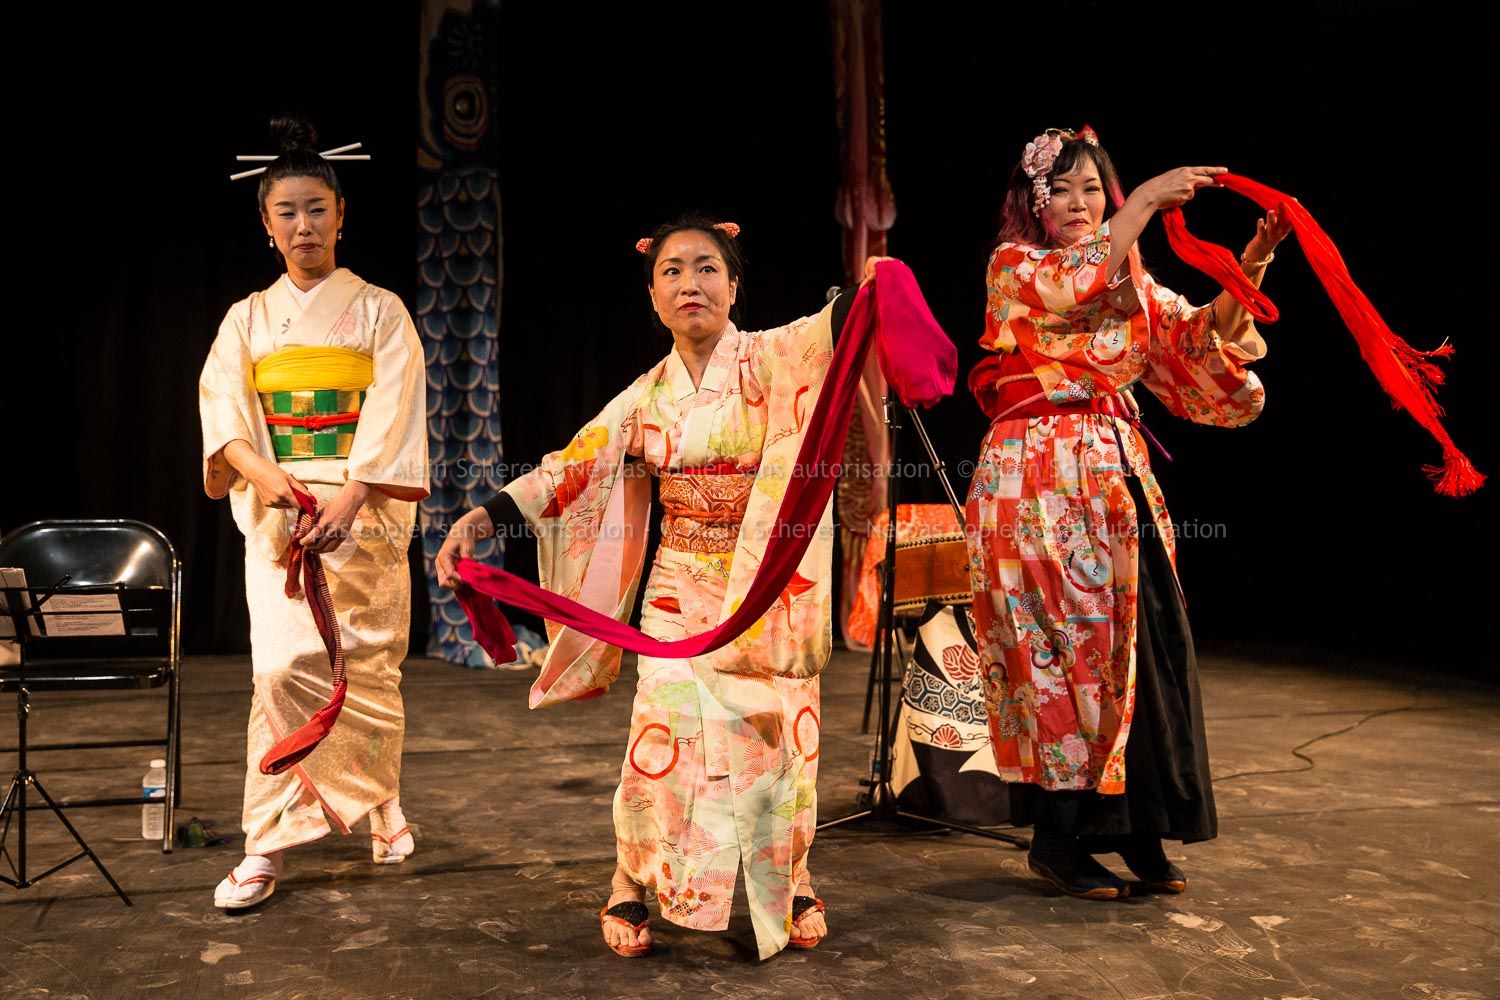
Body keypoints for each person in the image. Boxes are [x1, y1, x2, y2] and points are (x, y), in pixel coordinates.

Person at [437, 216, 881, 959]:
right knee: (664, 739)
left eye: (707, 268)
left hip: (767, 585)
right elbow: (572, 466)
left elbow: (832, 330)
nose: (690, 284)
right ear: (652, 295)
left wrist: (872, 289)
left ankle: (793, 876)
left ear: (734, 286)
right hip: (679, 588)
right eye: (672, 271)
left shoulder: (773, 356)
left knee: (779, 737)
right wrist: (484, 518)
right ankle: (631, 878)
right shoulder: (646, 396)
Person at [964, 126, 1289, 900]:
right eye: (1062, 190)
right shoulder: (1015, 266)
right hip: (1036, 482)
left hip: (1114, 475)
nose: (1079, 203)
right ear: (1034, 204)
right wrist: (1142, 200)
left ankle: (1139, 826)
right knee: (1060, 655)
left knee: (1142, 646)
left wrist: (1253, 260)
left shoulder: (1131, 280)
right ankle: (1058, 839)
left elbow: (1200, 341)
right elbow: (1074, 283)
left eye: (1093, 190)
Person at [199, 116, 429, 910]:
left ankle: (380, 801)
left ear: (341, 214)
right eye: (287, 212)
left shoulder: (381, 310)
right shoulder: (247, 318)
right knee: (278, 670)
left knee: (368, 668)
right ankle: (264, 845)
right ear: (265, 223)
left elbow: (394, 409)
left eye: (317, 209)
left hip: (363, 510)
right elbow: (224, 411)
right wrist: (263, 474)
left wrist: (355, 492)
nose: (304, 225)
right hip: (280, 509)